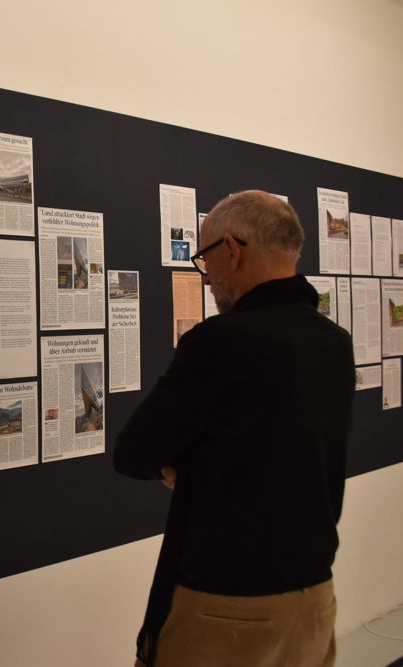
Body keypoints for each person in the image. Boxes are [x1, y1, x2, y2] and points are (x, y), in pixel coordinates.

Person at [113, 190, 355, 667]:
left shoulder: (220, 341)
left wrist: (176, 468)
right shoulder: (334, 341)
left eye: (205, 258)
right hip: (314, 597)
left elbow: (134, 452)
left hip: (227, 607)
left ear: (231, 249)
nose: (206, 277)